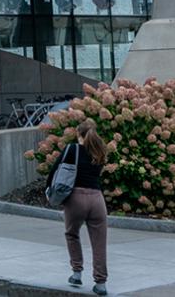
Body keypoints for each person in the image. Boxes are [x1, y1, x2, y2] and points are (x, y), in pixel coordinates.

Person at [60, 118, 111, 296]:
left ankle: (76, 273)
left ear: (77, 133)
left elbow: (55, 171)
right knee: (99, 242)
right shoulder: (99, 152)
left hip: (76, 197)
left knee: (72, 233)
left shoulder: (71, 149)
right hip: (97, 199)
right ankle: (101, 283)